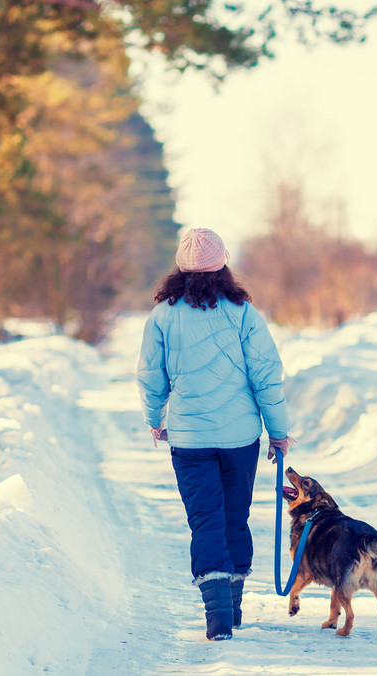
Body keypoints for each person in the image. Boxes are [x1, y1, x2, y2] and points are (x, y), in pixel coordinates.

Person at [137, 227, 293, 641]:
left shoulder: (163, 315)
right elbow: (266, 377)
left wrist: (155, 418)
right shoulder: (243, 313)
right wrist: (279, 432)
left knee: (205, 522)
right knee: (234, 518)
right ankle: (234, 605)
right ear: (223, 264)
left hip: (189, 439)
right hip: (241, 437)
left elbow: (152, 376)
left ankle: (218, 617)